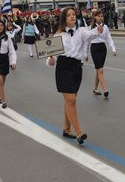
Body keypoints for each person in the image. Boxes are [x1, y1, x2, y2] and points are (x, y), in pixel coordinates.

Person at [47, 7, 103, 145]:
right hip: (63, 68)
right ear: (64, 19)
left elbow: (91, 35)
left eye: (73, 14)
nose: (72, 17)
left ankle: (66, 129)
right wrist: (51, 60)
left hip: (76, 68)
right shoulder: (58, 35)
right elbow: (49, 59)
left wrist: (98, 30)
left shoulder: (81, 31)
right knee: (71, 100)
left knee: (71, 101)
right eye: (69, 15)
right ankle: (79, 132)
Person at [85, 10, 116, 98]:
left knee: (98, 70)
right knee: (100, 70)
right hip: (94, 48)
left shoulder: (105, 27)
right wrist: (86, 54)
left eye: (102, 16)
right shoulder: (90, 27)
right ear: (95, 17)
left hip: (102, 48)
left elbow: (109, 38)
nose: (101, 17)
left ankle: (95, 88)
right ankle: (105, 89)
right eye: (99, 16)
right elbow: (87, 41)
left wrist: (113, 49)